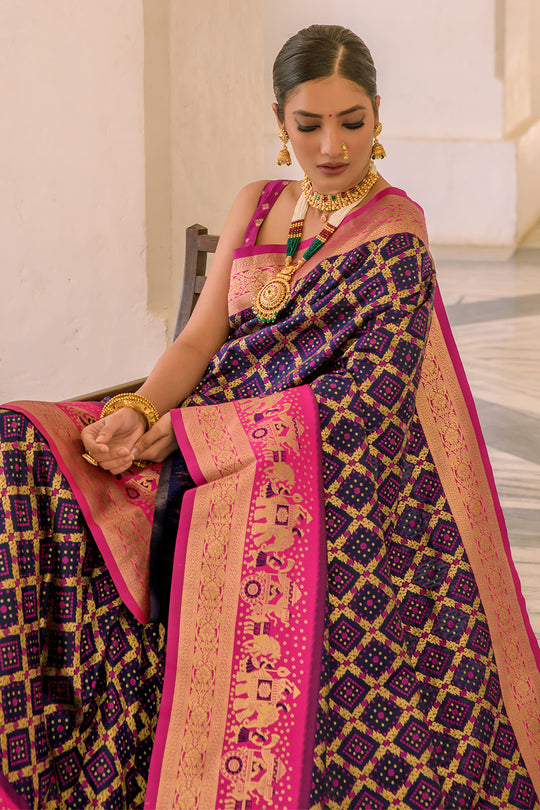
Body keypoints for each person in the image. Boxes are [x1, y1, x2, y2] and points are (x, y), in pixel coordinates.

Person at [1, 23, 539, 810]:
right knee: (21, 433)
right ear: (279, 120)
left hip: (303, 451)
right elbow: (196, 340)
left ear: (379, 117)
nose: (330, 146)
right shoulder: (256, 205)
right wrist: (139, 410)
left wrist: (195, 436)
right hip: (197, 422)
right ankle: (72, 730)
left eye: (351, 122)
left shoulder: (395, 232)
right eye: (308, 124)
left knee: (238, 510)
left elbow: (373, 395)